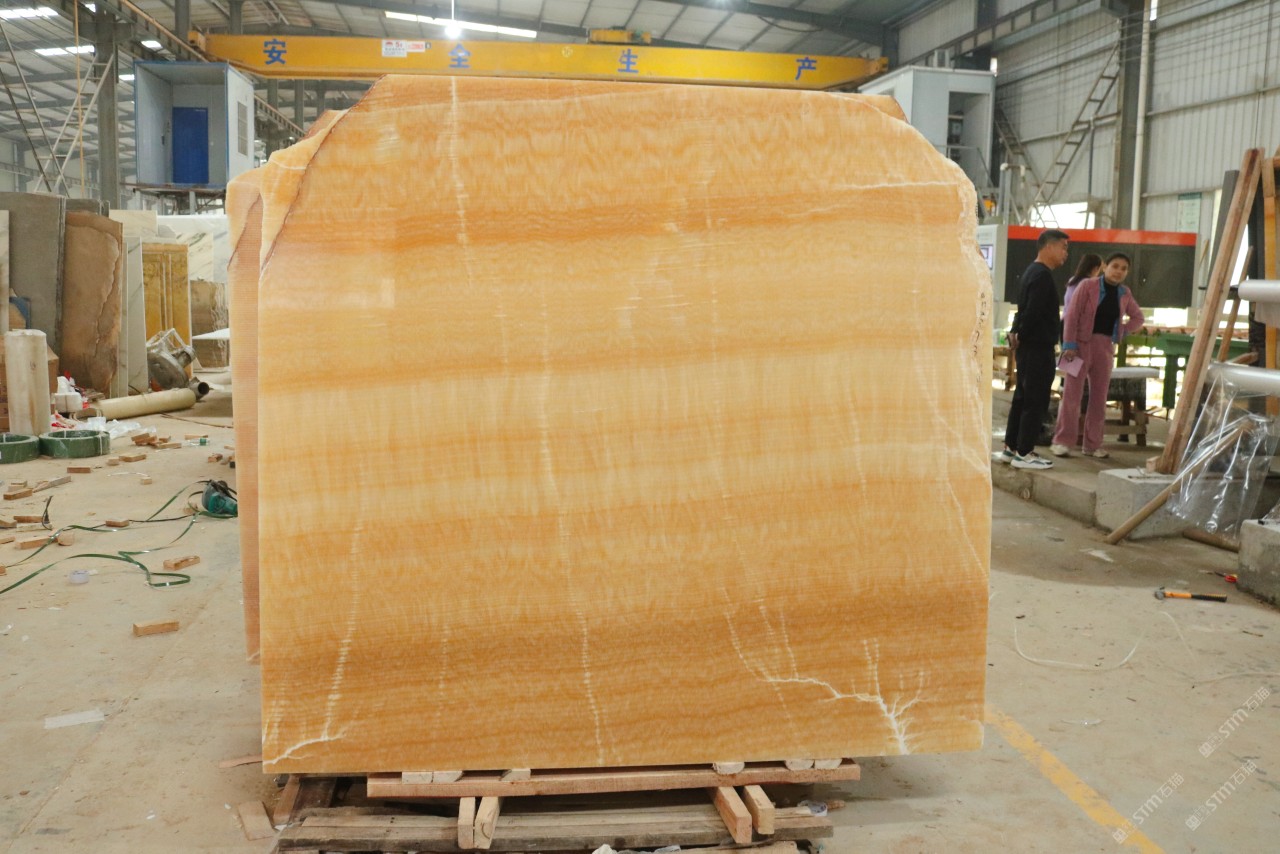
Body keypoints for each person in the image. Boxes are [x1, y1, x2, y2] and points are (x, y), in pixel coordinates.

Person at [1050, 252, 1145, 458]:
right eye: (1115, 266)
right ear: (1105, 267)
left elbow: (1138, 317)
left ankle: (1092, 445)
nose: (1118, 271)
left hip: (1105, 348)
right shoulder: (1087, 286)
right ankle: (1062, 441)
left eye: (1123, 268)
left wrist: (1121, 331)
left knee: (1099, 398)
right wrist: (1069, 344)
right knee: (1071, 396)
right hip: (1078, 346)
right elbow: (1071, 315)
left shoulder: (1124, 293)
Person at [999, 229, 1070, 470]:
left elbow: (1023, 310)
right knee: (1035, 400)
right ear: (1048, 247)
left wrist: (1016, 332)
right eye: (1063, 247)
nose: (1065, 253)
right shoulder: (1042, 276)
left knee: (1022, 398)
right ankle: (1024, 452)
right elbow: (1032, 311)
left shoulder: (1032, 271)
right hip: (1038, 347)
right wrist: (1021, 333)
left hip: (1028, 347)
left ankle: (1011, 447)